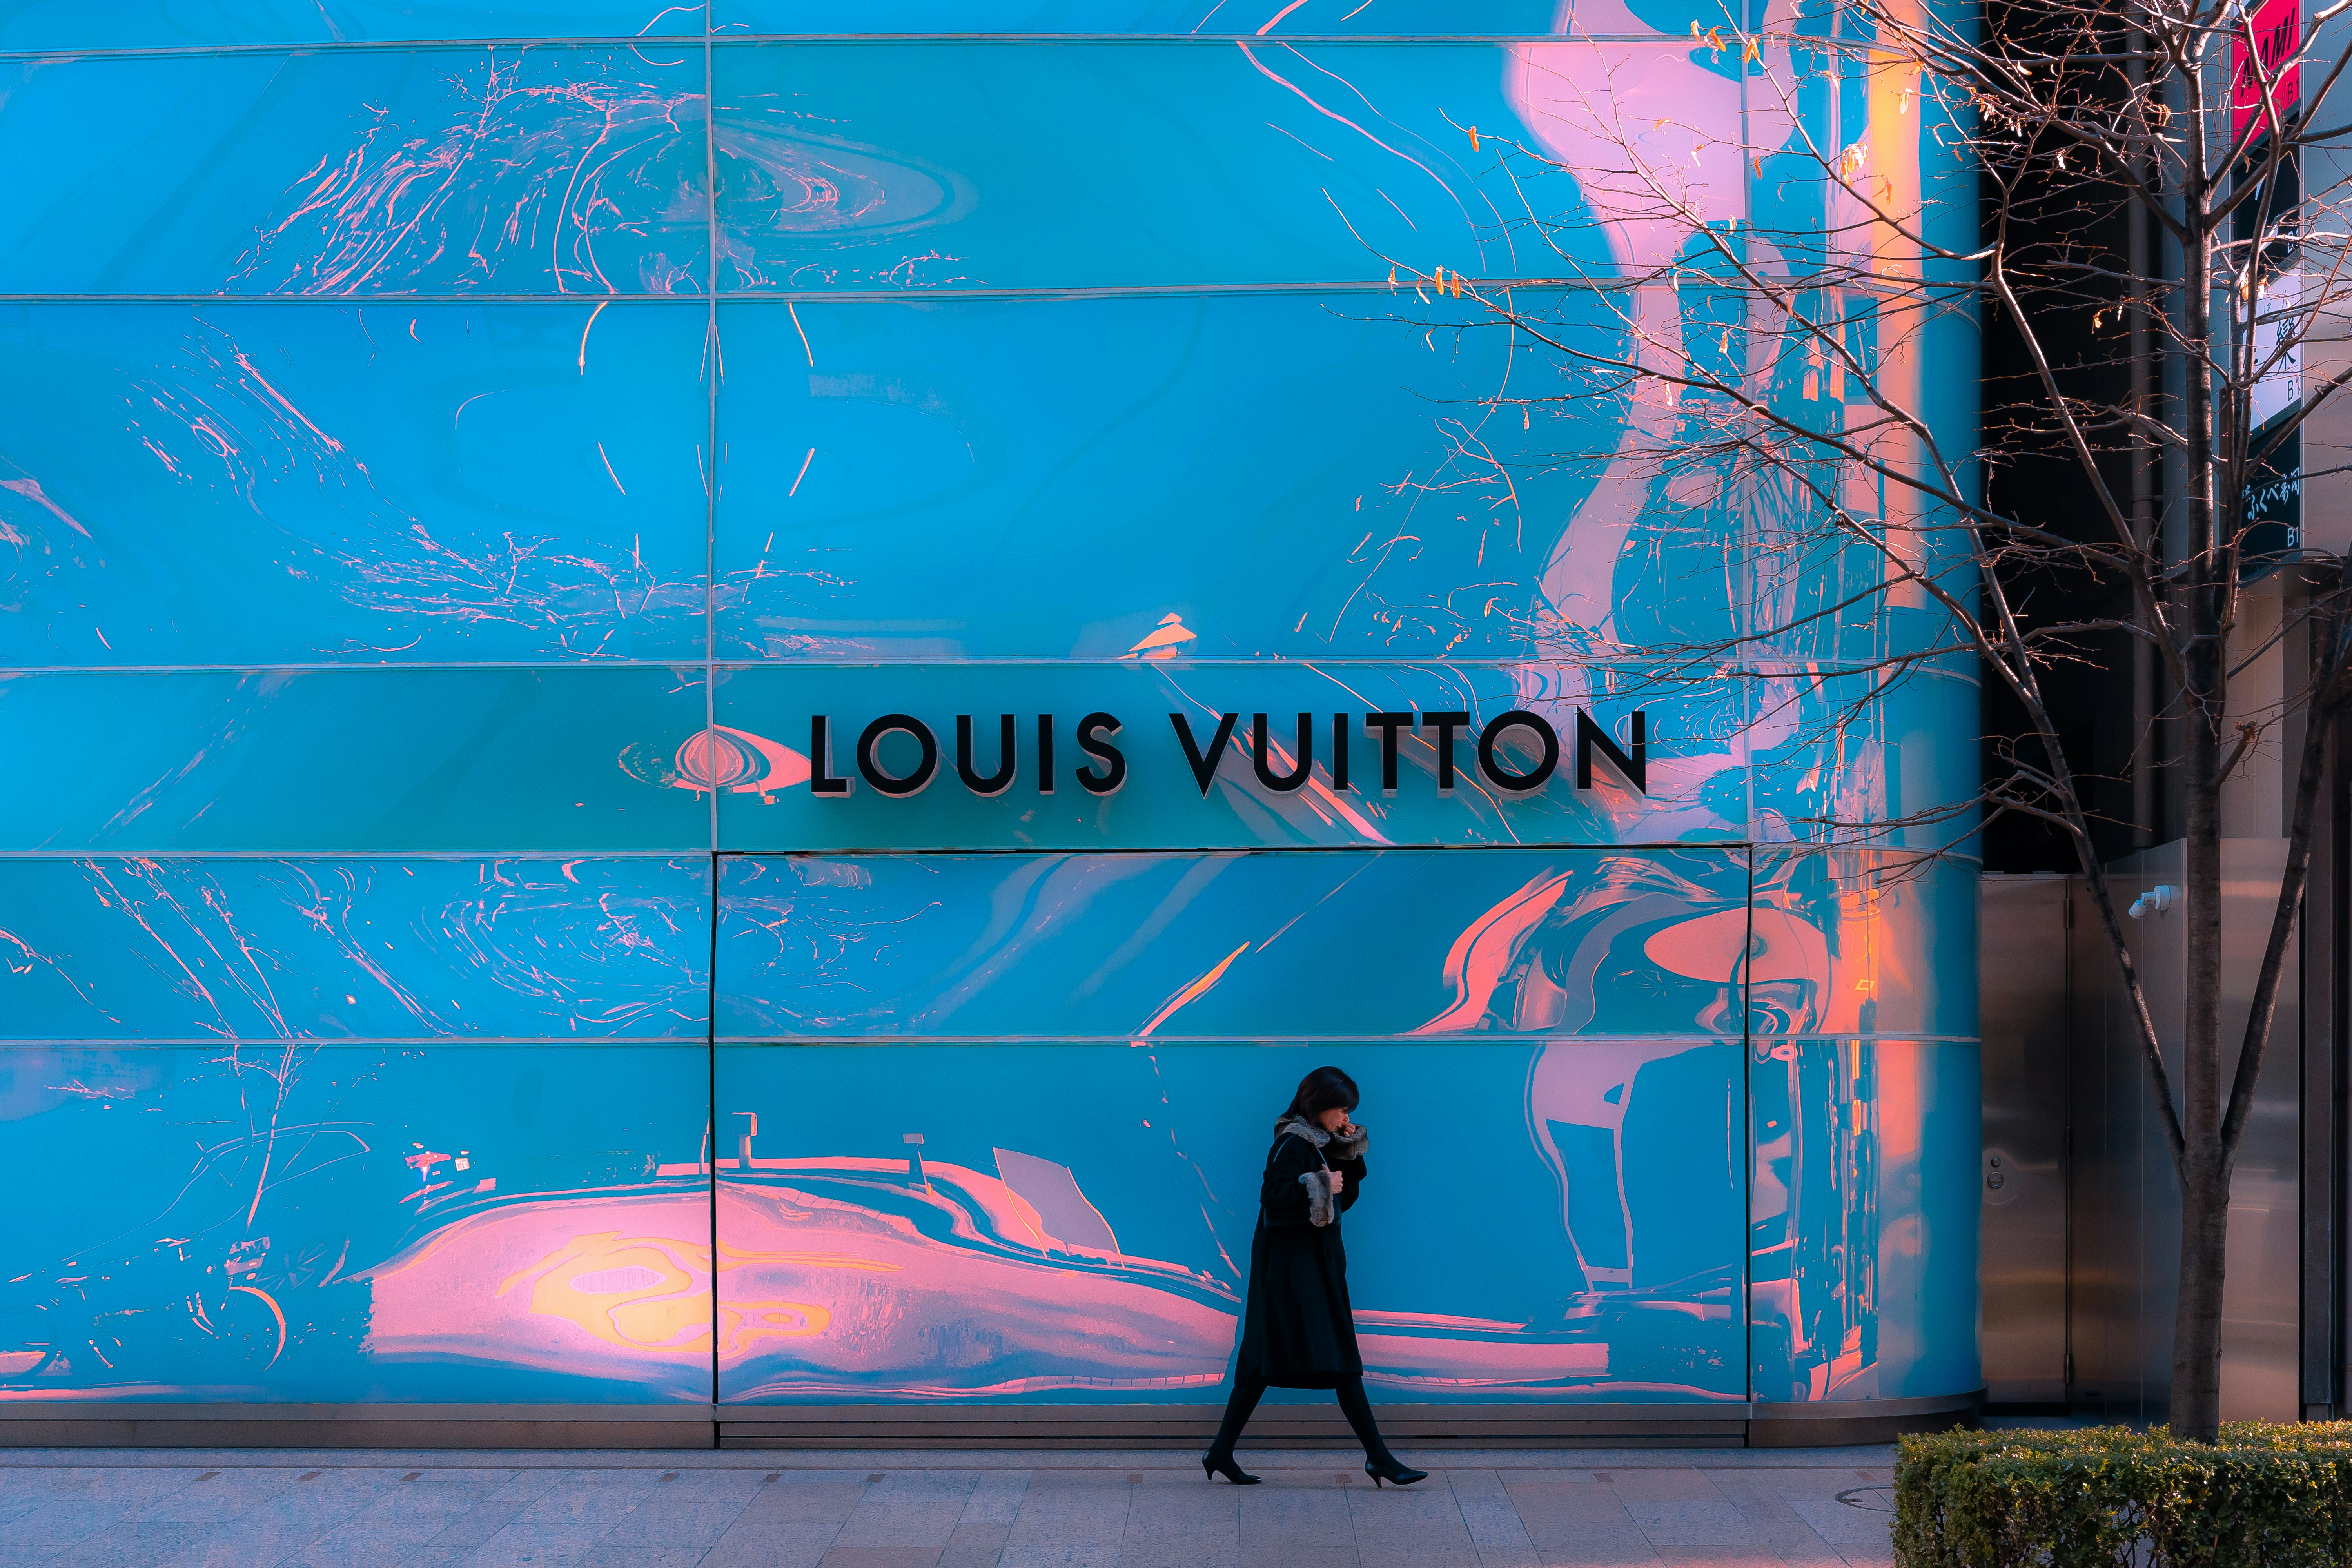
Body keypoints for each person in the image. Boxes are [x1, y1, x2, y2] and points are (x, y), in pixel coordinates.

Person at [1201, 1065, 1428, 1488]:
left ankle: (1220, 1452)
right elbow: (1273, 1199)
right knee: (1338, 1360)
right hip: (1295, 1274)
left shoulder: (1315, 1144)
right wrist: (1320, 1183)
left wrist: (1344, 1155)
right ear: (1318, 1105)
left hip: (1303, 1269)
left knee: (1262, 1364)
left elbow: (1341, 1202)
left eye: (1348, 1111)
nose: (1346, 1117)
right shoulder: (1292, 1143)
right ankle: (1380, 1459)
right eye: (1340, 1109)